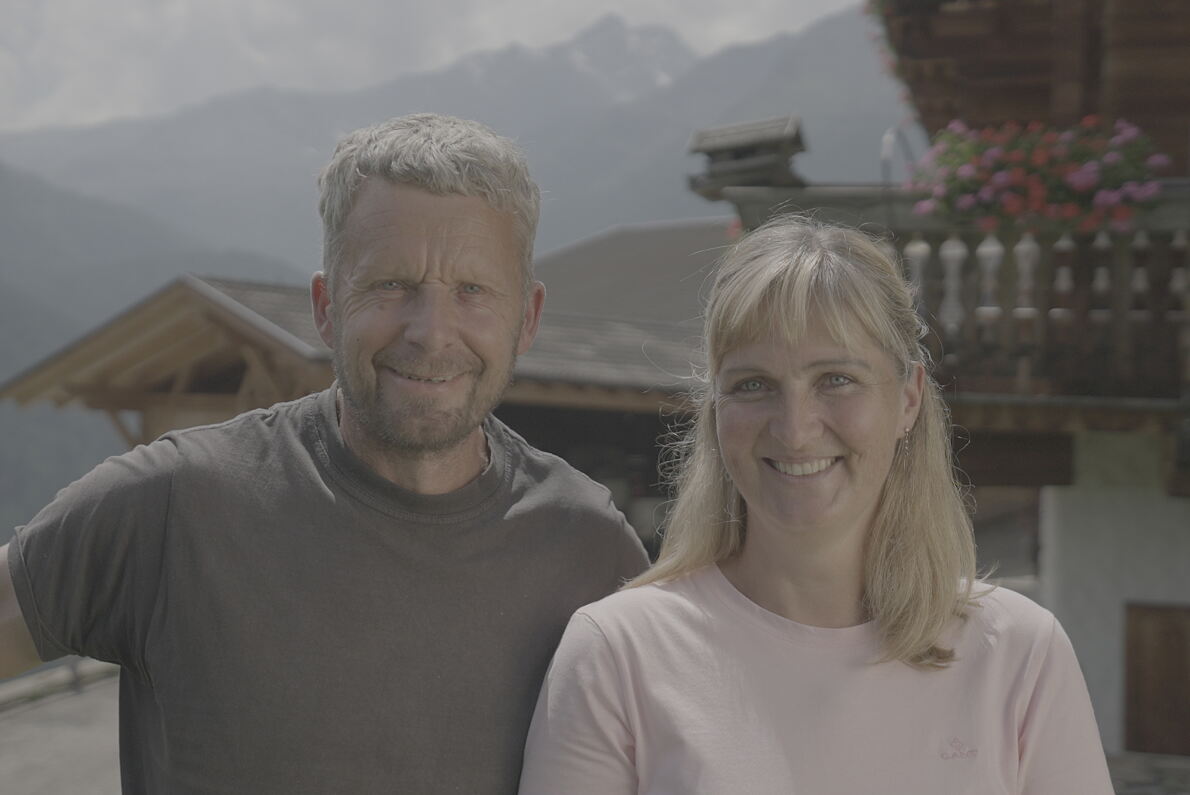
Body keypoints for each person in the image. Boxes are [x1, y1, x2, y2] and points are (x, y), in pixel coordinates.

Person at [0, 113, 648, 794]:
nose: (431, 333)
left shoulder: (589, 546)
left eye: (473, 291)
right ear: (325, 305)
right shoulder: (174, 503)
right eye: (390, 284)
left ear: (529, 318)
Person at [518, 215, 1113, 794]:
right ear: (715, 408)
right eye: (753, 385)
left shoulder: (1017, 654)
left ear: (908, 398)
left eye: (836, 379)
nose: (796, 430)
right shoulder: (618, 654)